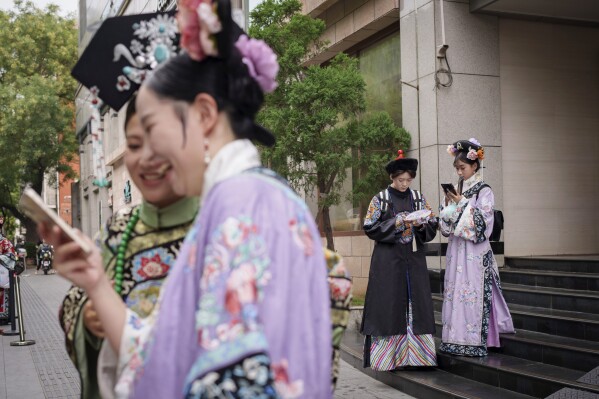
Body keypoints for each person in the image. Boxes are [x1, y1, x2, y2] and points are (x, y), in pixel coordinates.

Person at [41, 1, 332, 397]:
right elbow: (163, 354)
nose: (151, 154)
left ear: (204, 115)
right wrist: (96, 281)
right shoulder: (249, 200)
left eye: (154, 127)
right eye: (136, 140)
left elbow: (237, 380)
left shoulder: (242, 208)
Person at [58, 12, 198, 398]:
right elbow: (75, 301)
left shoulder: (230, 226)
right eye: (134, 145)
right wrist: (87, 319)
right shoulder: (119, 232)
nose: (146, 158)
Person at [360, 150, 438, 370]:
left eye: (408, 180)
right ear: (392, 178)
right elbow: (369, 226)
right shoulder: (381, 199)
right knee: (389, 304)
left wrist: (422, 223)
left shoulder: (418, 198)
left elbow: (431, 223)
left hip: (413, 259)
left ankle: (418, 356)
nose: (405, 184)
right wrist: (397, 223)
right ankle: (387, 359)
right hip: (388, 261)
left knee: (417, 303)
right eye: (400, 180)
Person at [439, 138, 514, 356]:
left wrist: (462, 204)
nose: (459, 172)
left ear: (474, 165)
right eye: (457, 168)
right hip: (457, 251)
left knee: (472, 294)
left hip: (474, 253)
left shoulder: (484, 191)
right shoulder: (457, 189)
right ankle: (454, 338)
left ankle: (477, 340)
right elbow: (446, 227)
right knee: (456, 293)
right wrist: (447, 208)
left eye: (462, 168)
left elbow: (483, 226)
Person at [0, 215, 16, 326]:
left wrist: (1, 258)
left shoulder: (4, 242)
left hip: (2, 274)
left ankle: (4, 316)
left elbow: (12, 255)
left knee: (3, 294)